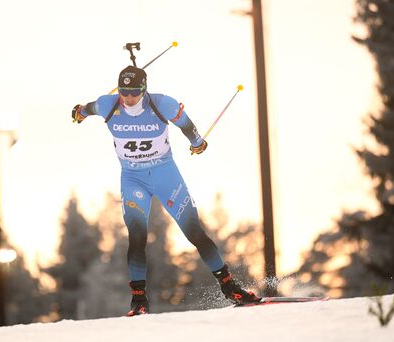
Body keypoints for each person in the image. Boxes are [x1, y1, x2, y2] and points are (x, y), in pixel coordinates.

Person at [72, 65, 260, 316]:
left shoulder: (163, 104)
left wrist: (197, 143)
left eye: (133, 92)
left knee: (194, 232)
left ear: (144, 89)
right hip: (133, 178)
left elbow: (186, 124)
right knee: (137, 236)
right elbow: (87, 108)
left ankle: (230, 287)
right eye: (124, 92)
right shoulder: (109, 104)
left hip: (165, 175)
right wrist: (79, 113)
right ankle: (139, 300)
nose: (128, 98)